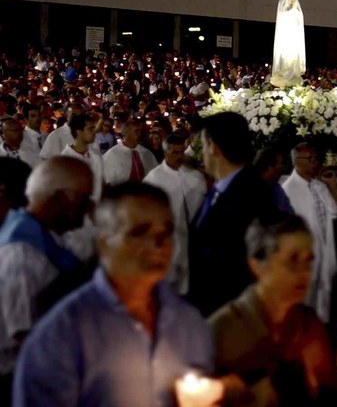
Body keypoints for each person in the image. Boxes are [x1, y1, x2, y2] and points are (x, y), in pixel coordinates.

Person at [13, 182, 218, 407]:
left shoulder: (189, 322)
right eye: (139, 232)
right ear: (103, 243)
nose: (158, 244)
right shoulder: (62, 333)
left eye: (166, 232)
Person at [210, 215, 337, 406]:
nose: (304, 271)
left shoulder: (309, 325)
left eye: (309, 261)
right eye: (293, 260)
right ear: (257, 265)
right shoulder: (221, 331)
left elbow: (326, 385)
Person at [0, 157, 93, 403]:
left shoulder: (48, 238)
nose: (88, 209)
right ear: (63, 197)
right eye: (84, 200)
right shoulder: (21, 255)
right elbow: (26, 339)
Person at [189, 111, 281, 317]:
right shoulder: (217, 190)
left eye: (203, 146)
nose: (201, 153)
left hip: (233, 317)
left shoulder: (253, 194)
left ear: (214, 148)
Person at [283, 142, 337, 322]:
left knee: (322, 299)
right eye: (309, 159)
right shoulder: (288, 190)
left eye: (316, 158)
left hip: (324, 250)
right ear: (296, 162)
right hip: (303, 257)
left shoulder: (319, 186)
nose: (314, 162)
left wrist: (332, 186)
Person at [143, 133, 207, 295]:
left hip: (195, 242)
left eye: (181, 152)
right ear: (165, 153)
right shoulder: (154, 179)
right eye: (175, 153)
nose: (179, 156)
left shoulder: (195, 176)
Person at [270, 0, 307, 88]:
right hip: (286, 35)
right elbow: (283, 15)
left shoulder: (297, 5)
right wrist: (291, 8)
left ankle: (293, 74)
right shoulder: (282, 2)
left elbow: (299, 18)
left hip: (294, 35)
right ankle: (284, 73)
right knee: (286, 58)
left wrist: (295, 8)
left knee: (293, 58)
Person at [102, 118, 158, 184]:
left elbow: (156, 177)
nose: (139, 134)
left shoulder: (147, 154)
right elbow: (106, 181)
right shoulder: (111, 155)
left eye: (140, 131)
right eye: (136, 131)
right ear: (125, 133)